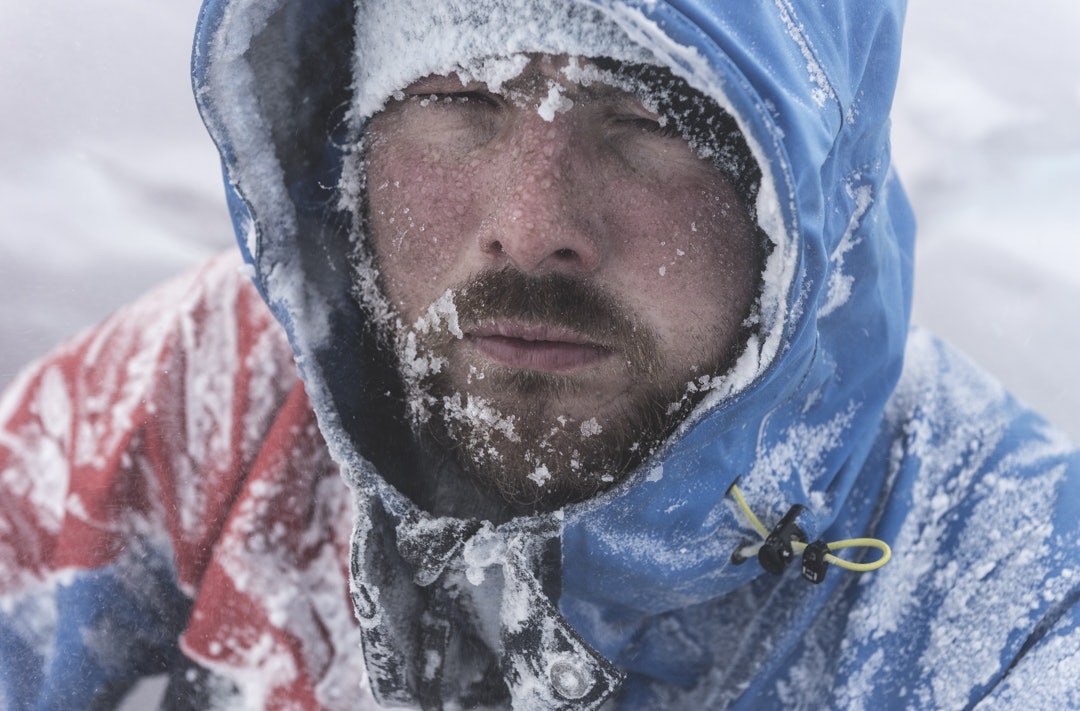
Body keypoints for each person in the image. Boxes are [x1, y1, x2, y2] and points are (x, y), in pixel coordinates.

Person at [2, 0, 1078, 708]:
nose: (531, 227)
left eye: (651, 118)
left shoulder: (1012, 598)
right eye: (456, 99)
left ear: (807, 187)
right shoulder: (228, 385)